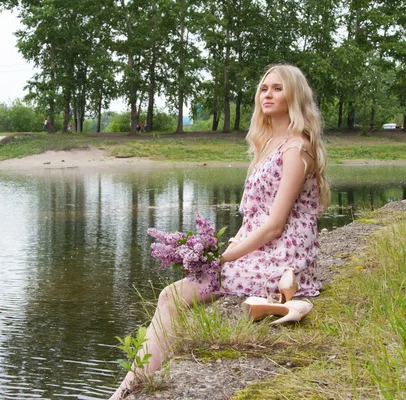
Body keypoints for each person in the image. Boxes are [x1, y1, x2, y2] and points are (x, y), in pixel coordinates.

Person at [109, 64, 331, 399]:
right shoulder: (269, 143)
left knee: (171, 296)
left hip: (282, 253)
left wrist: (222, 259)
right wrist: (225, 246)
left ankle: (130, 387)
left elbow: (274, 225)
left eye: (277, 88)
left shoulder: (295, 149)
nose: (268, 95)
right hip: (263, 247)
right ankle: (135, 382)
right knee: (171, 296)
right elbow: (254, 217)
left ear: (295, 95)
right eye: (264, 88)